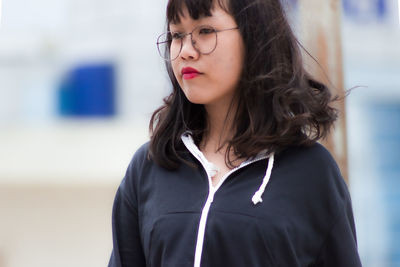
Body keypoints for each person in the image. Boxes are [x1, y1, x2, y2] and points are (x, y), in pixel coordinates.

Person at [108, 0, 362, 266]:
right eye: (177, 35)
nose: (185, 51)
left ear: (255, 36)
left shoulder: (311, 172)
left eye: (205, 31)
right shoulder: (150, 167)